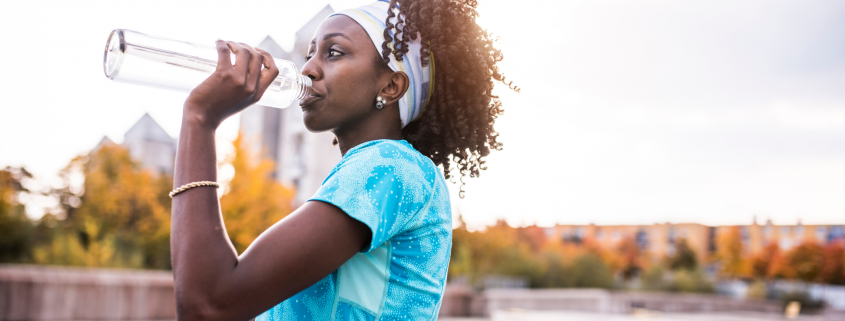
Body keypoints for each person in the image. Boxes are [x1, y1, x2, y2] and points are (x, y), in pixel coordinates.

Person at [169, 0, 514, 320]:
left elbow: (208, 304)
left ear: (391, 87)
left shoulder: (389, 167)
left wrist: (199, 119)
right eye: (310, 53)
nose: (308, 69)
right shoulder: (399, 172)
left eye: (333, 52)